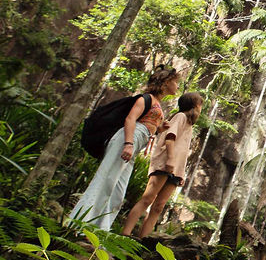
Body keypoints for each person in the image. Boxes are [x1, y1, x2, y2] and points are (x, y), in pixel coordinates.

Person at [66, 69, 179, 232]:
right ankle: (78, 225)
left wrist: (159, 128)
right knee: (105, 180)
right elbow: (130, 119)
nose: (177, 86)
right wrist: (128, 143)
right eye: (175, 82)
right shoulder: (145, 98)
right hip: (128, 139)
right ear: (166, 82)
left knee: (118, 190)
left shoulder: (157, 102)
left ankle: (100, 229)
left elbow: (147, 124)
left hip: (139, 140)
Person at [119, 90, 199, 238]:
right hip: (165, 163)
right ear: (193, 105)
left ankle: (143, 241)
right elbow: (170, 138)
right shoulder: (180, 117)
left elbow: (182, 151)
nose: (201, 109)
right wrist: (170, 159)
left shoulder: (189, 125)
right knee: (148, 199)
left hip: (176, 170)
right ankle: (125, 234)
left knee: (158, 207)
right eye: (200, 105)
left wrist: (180, 173)